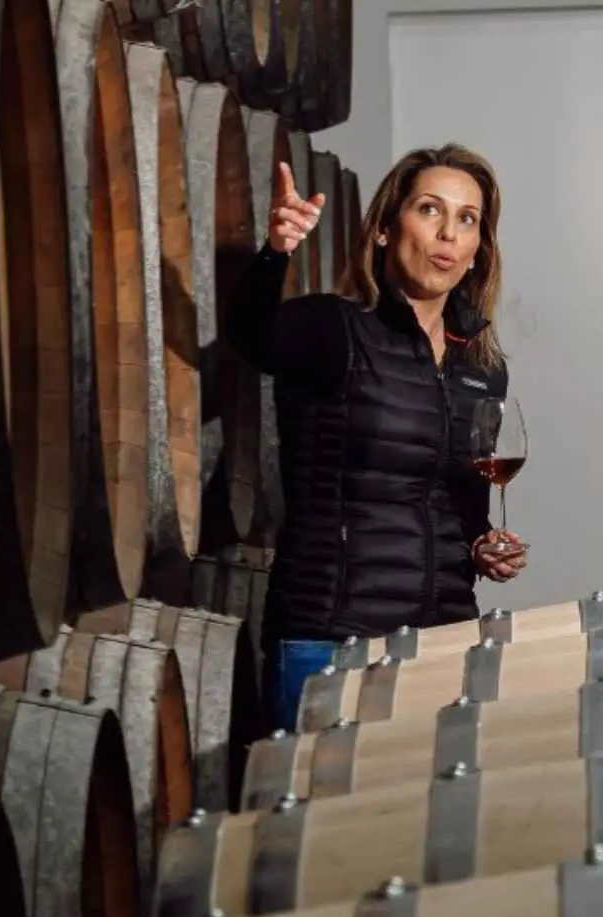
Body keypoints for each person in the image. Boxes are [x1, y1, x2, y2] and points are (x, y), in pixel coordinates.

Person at [225, 145, 527, 733]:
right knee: (315, 796)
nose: (448, 232)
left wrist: (483, 545)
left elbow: (463, 505)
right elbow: (251, 336)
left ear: (478, 252)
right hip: (332, 640)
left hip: (444, 641)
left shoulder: (482, 369)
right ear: (386, 228)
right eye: (429, 209)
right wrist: (276, 251)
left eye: (467, 219)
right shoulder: (332, 327)